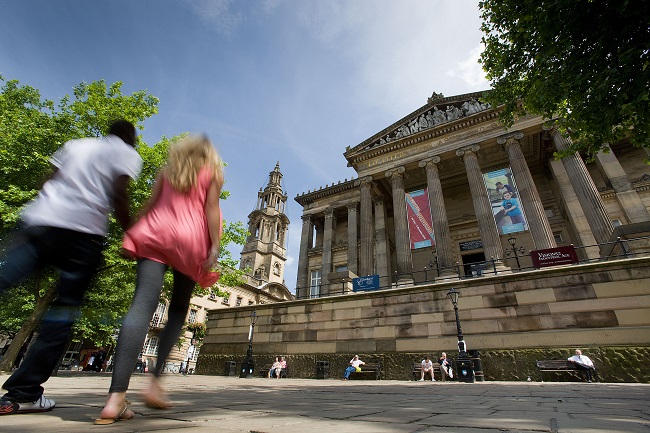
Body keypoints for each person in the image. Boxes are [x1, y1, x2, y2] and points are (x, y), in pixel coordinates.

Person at [0, 120, 142, 416]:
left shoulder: (77, 145)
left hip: (40, 222)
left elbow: (48, 181)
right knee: (62, 313)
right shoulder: (127, 153)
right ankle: (23, 393)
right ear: (129, 136)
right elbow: (118, 194)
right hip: (82, 235)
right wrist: (131, 231)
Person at [96, 134, 223, 425]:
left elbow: (151, 204)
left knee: (141, 305)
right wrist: (214, 246)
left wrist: (132, 230)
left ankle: (115, 398)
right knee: (178, 309)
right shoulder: (211, 172)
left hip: (154, 232)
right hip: (190, 240)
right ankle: (154, 382)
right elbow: (211, 208)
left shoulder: (168, 170)